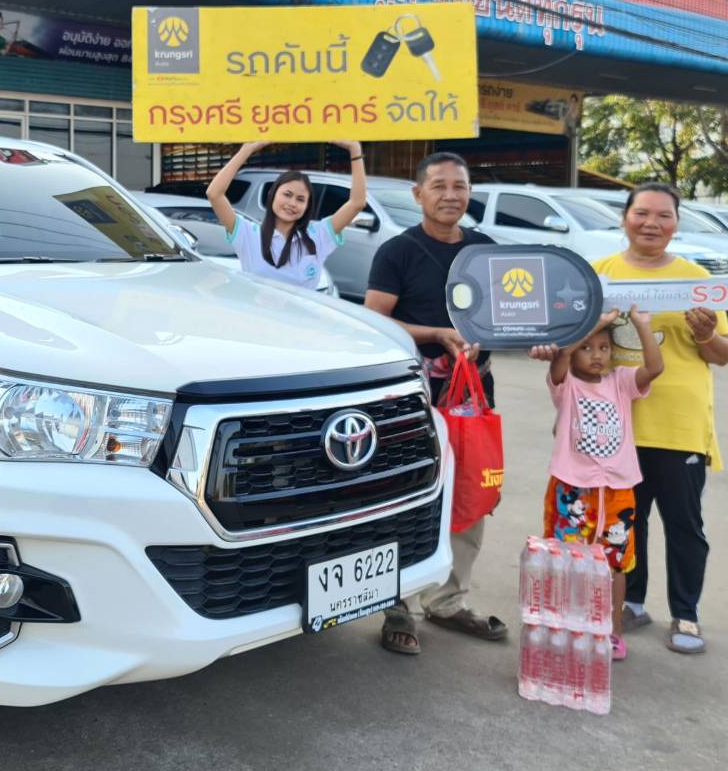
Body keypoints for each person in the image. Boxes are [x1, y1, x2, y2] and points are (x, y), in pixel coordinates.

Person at [363, 151, 504, 654]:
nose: (450, 195)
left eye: (459, 186)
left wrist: (496, 337)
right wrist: (438, 333)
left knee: (470, 492)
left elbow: (507, 312)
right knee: (407, 495)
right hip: (415, 397)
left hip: (473, 392)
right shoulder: (397, 252)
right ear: (418, 194)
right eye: (439, 186)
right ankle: (398, 605)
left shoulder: (486, 251)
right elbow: (376, 318)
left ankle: (447, 601)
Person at [593, 182, 728, 654]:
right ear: (624, 218)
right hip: (615, 423)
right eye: (641, 213)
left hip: (679, 422)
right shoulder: (599, 275)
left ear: (676, 224)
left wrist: (706, 335)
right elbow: (581, 347)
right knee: (625, 522)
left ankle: (686, 613)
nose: (651, 223)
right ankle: (631, 602)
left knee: (683, 524)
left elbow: (724, 354)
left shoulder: (696, 279)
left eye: (663, 216)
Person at [529, 303, 664, 660]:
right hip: (572, 490)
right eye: (587, 347)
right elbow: (562, 358)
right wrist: (594, 325)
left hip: (618, 490)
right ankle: (565, 627)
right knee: (566, 559)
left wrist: (642, 323)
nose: (597, 355)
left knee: (616, 563)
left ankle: (613, 632)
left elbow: (654, 368)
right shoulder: (566, 384)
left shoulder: (621, 382)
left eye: (604, 347)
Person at [205, 141, 366, 289]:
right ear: (272, 194)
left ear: (307, 206)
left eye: (300, 199)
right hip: (255, 311)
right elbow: (214, 194)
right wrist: (246, 150)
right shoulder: (247, 234)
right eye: (287, 195)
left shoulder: (319, 234)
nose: (292, 203)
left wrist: (355, 150)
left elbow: (357, 203)